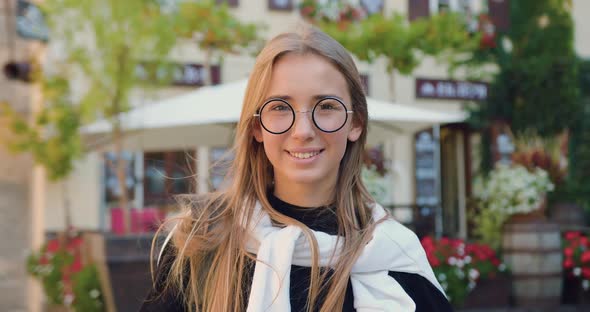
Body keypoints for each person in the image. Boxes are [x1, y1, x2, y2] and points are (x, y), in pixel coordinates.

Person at [140, 25, 452, 312]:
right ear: (257, 127)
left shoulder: (394, 255)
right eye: (280, 107)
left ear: (355, 122)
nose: (302, 130)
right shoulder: (201, 242)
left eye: (326, 106)